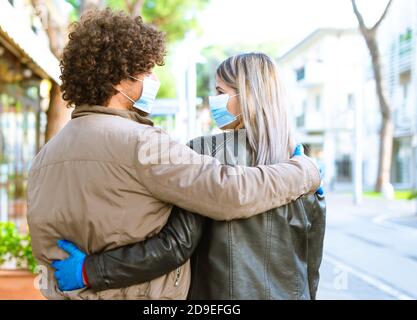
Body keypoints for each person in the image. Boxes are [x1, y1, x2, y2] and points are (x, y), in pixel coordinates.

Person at [27, 8, 321, 300]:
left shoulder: (46, 155)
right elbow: (226, 194)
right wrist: (304, 171)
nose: (152, 79)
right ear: (118, 80)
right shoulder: (142, 143)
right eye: (146, 71)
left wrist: (87, 271)